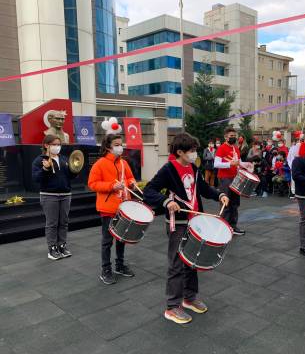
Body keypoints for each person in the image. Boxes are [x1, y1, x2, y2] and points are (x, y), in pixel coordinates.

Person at [143, 133, 229, 325]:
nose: (194, 153)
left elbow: (204, 189)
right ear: (180, 152)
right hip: (178, 223)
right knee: (176, 264)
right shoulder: (168, 169)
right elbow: (148, 190)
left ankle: (189, 298)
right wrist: (165, 201)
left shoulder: (193, 167)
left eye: (195, 150)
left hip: (195, 222)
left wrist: (220, 194)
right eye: (191, 150)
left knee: (192, 261)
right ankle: (172, 307)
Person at [88, 134, 137, 285]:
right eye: (116, 144)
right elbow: (92, 183)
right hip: (108, 209)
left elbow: (129, 177)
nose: (120, 147)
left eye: (120, 144)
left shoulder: (123, 162)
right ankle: (105, 269)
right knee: (107, 241)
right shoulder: (100, 164)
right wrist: (111, 186)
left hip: (124, 207)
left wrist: (133, 183)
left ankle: (120, 265)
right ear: (108, 147)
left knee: (122, 238)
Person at [32, 135, 76, 260]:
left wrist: (75, 169)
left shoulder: (64, 159)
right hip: (49, 196)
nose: (58, 147)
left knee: (64, 222)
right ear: (46, 145)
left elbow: (70, 177)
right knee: (52, 223)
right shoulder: (39, 160)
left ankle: (62, 246)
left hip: (66, 195)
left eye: (59, 144)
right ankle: (52, 249)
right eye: (55, 144)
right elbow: (36, 178)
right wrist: (45, 168)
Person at [214, 127, 252, 236]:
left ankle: (233, 226)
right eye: (231, 136)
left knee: (235, 203)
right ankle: (224, 227)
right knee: (226, 203)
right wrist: (230, 164)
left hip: (235, 178)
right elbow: (216, 164)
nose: (233, 138)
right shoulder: (221, 148)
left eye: (234, 136)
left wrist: (247, 164)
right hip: (225, 178)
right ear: (225, 137)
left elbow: (239, 163)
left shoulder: (236, 148)